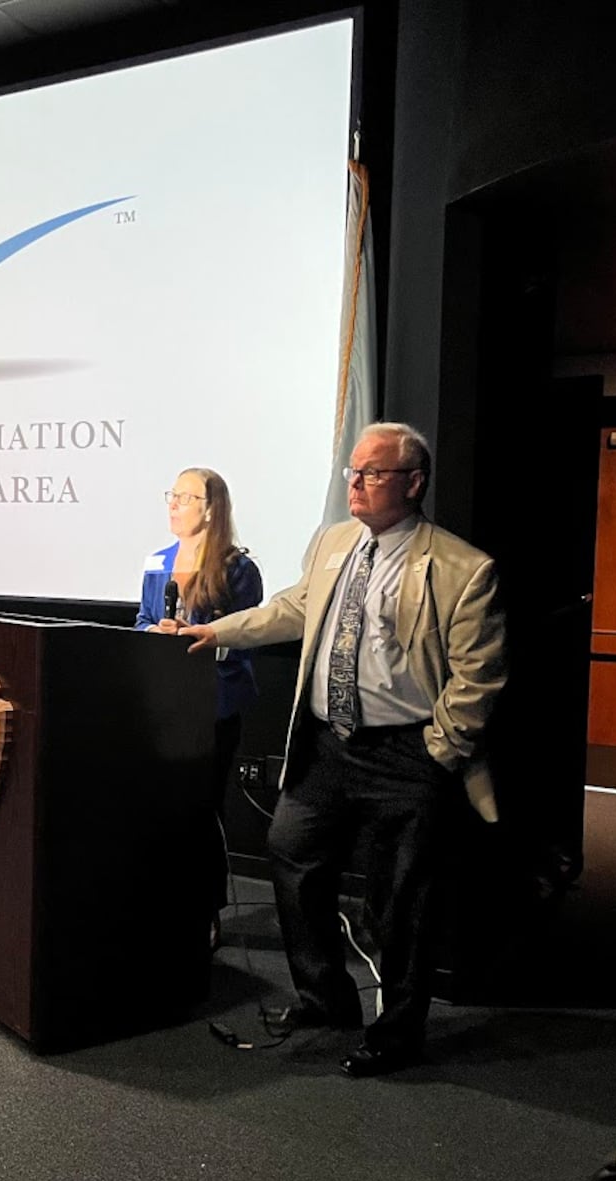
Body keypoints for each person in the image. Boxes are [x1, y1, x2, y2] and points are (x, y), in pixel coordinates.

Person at [178, 423, 506, 1077]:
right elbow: (295, 607)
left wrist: (440, 750)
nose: (355, 483)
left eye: (372, 473)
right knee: (291, 856)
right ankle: (326, 999)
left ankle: (398, 1032)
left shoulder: (463, 570)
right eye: (354, 471)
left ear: (413, 483)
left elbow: (478, 679)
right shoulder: (333, 543)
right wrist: (214, 631)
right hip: (327, 745)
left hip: (408, 753)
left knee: (401, 897)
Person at [135, 468, 263, 942]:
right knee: (162, 806)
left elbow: (246, 640)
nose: (172, 504)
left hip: (214, 704)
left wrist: (200, 642)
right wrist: (155, 633)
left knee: (202, 807)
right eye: (171, 495)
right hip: (162, 703)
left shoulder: (238, 569)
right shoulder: (156, 561)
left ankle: (206, 909)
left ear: (210, 509)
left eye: (184, 497)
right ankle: (163, 903)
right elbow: (142, 620)